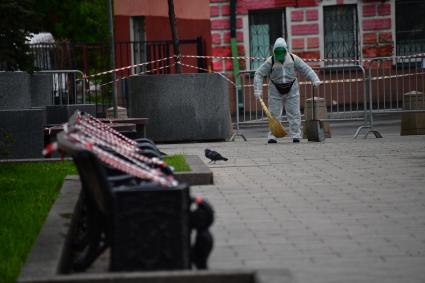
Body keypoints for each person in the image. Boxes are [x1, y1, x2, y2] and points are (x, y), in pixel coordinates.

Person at [254, 37, 322, 143]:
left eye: (282, 52)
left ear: (286, 50)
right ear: (274, 52)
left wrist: (315, 79)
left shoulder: (293, 59)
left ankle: (295, 134)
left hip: (292, 88)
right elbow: (259, 73)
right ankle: (273, 135)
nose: (279, 55)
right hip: (275, 88)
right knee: (274, 113)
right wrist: (258, 90)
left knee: (294, 112)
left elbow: (306, 69)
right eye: (277, 52)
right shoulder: (270, 61)